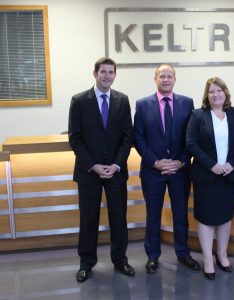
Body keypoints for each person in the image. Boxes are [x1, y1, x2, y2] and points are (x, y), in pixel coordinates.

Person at [68, 57, 135, 283]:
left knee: (119, 218)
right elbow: (75, 139)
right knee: (88, 219)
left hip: (116, 171)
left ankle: (120, 260)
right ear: (94, 73)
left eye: (111, 72)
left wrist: (116, 165)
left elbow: (128, 137)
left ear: (115, 75)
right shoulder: (79, 101)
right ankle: (86, 263)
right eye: (103, 72)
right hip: (89, 172)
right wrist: (94, 166)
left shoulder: (122, 100)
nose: (107, 76)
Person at [133, 63, 200, 274]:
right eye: (162, 76)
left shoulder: (187, 103)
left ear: (174, 79)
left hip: (180, 171)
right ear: (155, 79)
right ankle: (153, 256)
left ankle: (183, 253)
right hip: (153, 171)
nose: (165, 79)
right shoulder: (143, 104)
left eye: (169, 76)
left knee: (181, 214)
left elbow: (192, 137)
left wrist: (180, 161)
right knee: (153, 215)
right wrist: (155, 162)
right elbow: (138, 137)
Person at [186, 77, 234, 280]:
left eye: (219, 90)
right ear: (207, 95)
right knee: (206, 218)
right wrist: (212, 164)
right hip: (206, 176)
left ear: (226, 93)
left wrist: (232, 164)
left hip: (229, 176)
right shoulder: (198, 115)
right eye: (211, 91)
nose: (216, 94)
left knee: (225, 217)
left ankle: (222, 254)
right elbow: (191, 143)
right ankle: (208, 259)